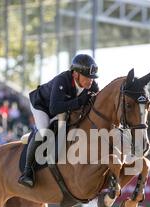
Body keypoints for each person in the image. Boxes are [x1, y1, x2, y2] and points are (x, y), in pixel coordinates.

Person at [18, 53, 100, 188]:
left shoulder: (91, 85)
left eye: (92, 78)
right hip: (43, 106)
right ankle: (27, 172)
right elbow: (55, 108)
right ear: (75, 74)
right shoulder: (62, 80)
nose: (90, 81)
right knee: (44, 130)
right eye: (87, 77)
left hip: (63, 108)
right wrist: (80, 101)